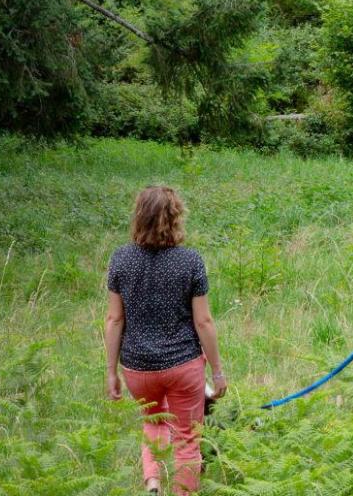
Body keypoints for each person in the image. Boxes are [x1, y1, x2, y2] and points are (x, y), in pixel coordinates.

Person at [105, 186, 226, 494]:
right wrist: (217, 370)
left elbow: (114, 319)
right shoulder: (190, 261)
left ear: (138, 217)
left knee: (153, 423)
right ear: (175, 218)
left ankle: (153, 483)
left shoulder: (121, 259)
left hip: (137, 368)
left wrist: (111, 372)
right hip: (183, 365)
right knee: (187, 438)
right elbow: (204, 321)